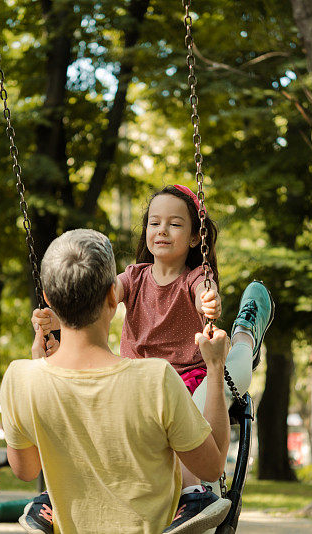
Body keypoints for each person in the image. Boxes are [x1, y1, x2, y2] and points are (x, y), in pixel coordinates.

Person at [29, 186, 275, 531]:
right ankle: (61, 494)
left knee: (204, 396)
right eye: (154, 222)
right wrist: (57, 314)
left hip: (190, 377)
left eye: (175, 224)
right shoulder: (133, 276)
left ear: (194, 238)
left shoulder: (194, 278)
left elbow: (205, 290)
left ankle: (195, 492)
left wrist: (210, 300)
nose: (162, 230)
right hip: (134, 381)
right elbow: (97, 296)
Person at [0, 229, 232, 534]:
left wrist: (40, 366)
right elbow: (211, 467)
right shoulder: (156, 378)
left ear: (47, 298)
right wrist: (214, 367)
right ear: (114, 294)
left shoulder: (20, 378)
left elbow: (25, 470)